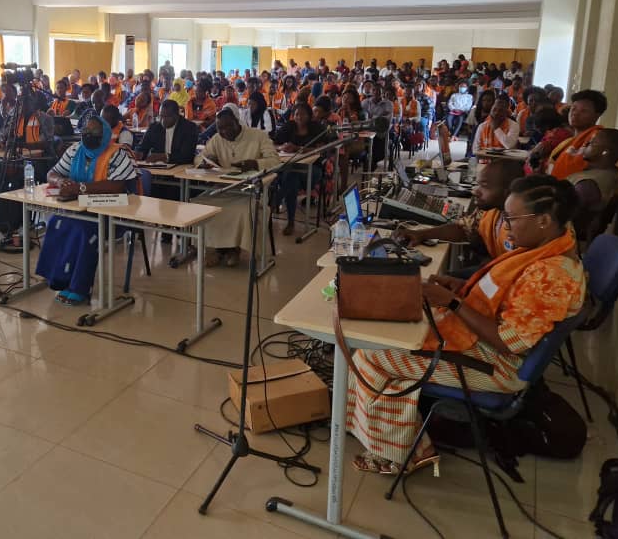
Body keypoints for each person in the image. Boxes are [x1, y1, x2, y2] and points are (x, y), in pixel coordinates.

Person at [348, 175, 586, 476]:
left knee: (371, 355)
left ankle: (403, 454)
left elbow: (510, 342)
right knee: (396, 333)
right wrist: (460, 287)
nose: (507, 228)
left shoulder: (552, 274)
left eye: (512, 219)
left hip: (499, 367)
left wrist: (451, 302)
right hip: (484, 346)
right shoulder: (545, 250)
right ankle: (388, 430)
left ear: (543, 220)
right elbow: (504, 298)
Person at [36, 117, 136, 305]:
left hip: (110, 211)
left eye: (94, 133)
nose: (88, 137)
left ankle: (80, 287)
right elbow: (52, 173)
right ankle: (60, 279)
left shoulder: (118, 153)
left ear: (105, 134)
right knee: (56, 223)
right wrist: (60, 181)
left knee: (83, 229)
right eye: (85, 133)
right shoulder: (75, 150)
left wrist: (80, 187)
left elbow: (117, 186)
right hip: (80, 207)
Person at [195, 108, 280, 267]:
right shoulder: (217, 139)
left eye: (229, 126)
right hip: (222, 189)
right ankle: (213, 248)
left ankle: (234, 249)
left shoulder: (258, 135)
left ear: (237, 122)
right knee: (200, 205)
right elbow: (199, 157)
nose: (225, 131)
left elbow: (275, 161)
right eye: (220, 128)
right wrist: (205, 162)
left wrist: (255, 164)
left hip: (250, 191)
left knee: (242, 210)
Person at [398, 158, 526, 262]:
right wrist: (421, 234)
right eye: (478, 184)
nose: (475, 191)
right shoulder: (490, 212)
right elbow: (462, 229)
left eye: (484, 186)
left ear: (507, 193)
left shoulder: (522, 232)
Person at [273, 104, 336, 235]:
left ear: (309, 116)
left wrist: (297, 148)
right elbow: (274, 143)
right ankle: (289, 221)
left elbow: (322, 149)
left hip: (313, 169)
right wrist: (282, 147)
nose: (299, 117)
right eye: (296, 114)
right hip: (291, 168)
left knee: (290, 177)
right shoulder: (289, 127)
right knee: (292, 179)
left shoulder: (317, 128)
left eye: (302, 114)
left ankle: (276, 202)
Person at [568, 128, 618, 243]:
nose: (586, 144)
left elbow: (562, 220)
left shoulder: (588, 185)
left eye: (592, 142)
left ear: (605, 152)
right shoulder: (603, 173)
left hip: (562, 241)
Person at [547, 90, 607, 180]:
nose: (575, 113)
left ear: (597, 116)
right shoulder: (568, 142)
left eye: (583, 111)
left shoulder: (599, 139)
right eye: (573, 108)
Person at [135, 99, 198, 164]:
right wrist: (139, 153)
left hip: (182, 168)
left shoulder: (189, 128)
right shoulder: (154, 127)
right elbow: (142, 146)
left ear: (176, 116)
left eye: (166, 117)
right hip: (158, 168)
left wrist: (165, 157)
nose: (163, 120)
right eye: (161, 116)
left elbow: (187, 155)